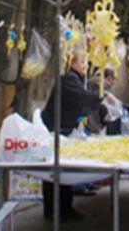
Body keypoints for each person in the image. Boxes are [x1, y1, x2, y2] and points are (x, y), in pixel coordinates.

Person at [41, 50, 104, 222]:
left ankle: (65, 208)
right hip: (57, 128)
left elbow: (82, 104)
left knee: (64, 171)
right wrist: (101, 94)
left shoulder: (75, 80)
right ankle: (54, 210)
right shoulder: (68, 79)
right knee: (55, 173)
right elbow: (82, 99)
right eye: (82, 62)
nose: (85, 65)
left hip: (65, 128)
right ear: (72, 63)